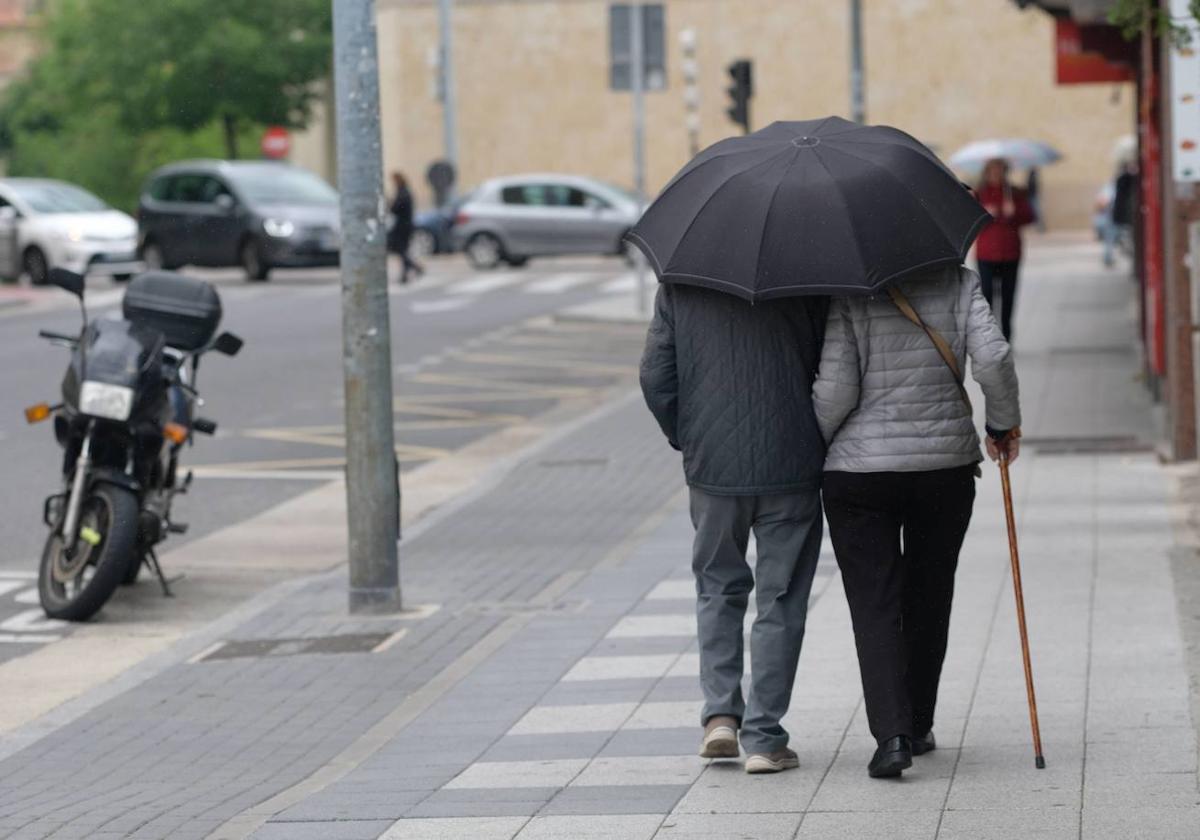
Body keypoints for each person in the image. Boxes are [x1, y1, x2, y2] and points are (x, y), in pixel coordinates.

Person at [813, 264, 1020, 779]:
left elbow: (836, 390)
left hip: (859, 475)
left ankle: (893, 737)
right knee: (930, 593)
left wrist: (817, 445)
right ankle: (921, 719)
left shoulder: (851, 290)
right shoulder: (960, 281)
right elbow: (993, 357)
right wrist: (1001, 421)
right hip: (944, 468)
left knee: (873, 603)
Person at [640, 283, 829, 775]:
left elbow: (654, 376)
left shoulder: (681, 284)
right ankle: (764, 738)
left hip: (714, 471)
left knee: (717, 589)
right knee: (781, 598)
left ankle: (720, 717)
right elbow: (831, 370)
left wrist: (688, 434)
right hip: (792, 463)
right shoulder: (807, 278)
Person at [974, 158, 1034, 342]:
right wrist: (984, 213)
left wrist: (1014, 212)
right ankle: (990, 337)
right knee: (987, 296)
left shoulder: (1014, 193)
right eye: (992, 171)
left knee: (1008, 296)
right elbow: (969, 220)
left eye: (1000, 170)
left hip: (1010, 252)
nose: (996, 175)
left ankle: (1007, 335)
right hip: (987, 253)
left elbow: (1030, 216)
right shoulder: (980, 194)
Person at [388, 171, 424, 284]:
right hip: (404, 225)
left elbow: (395, 208)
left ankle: (413, 269)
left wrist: (390, 204)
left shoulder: (403, 193)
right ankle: (408, 272)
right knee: (402, 251)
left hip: (402, 227)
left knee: (401, 250)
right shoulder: (404, 192)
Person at [1106, 161, 1137, 268]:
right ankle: (1109, 257)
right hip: (1122, 215)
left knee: (1113, 237)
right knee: (1115, 236)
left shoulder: (1121, 179)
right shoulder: (1125, 179)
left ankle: (1109, 257)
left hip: (1119, 215)